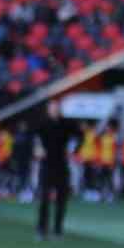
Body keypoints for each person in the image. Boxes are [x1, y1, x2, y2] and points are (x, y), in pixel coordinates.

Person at [33, 99, 78, 240]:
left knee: (62, 199)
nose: (55, 110)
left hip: (61, 165)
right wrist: (37, 149)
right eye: (52, 108)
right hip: (46, 165)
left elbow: (79, 136)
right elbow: (34, 140)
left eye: (57, 108)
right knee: (45, 198)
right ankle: (42, 229)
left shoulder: (66, 124)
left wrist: (73, 149)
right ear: (48, 110)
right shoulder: (42, 124)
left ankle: (58, 229)